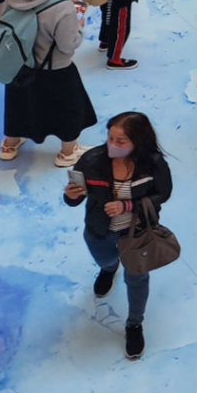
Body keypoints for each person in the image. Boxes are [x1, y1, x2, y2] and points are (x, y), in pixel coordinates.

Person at [63, 111, 171, 360]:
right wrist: (71, 196)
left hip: (137, 235)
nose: (113, 145)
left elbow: (162, 193)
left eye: (121, 141)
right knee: (105, 260)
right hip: (99, 231)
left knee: (137, 279)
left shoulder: (153, 164)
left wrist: (128, 206)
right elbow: (73, 200)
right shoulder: (91, 161)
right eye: (110, 138)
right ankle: (110, 268)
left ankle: (134, 323)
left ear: (138, 142)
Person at [0, 0, 97, 167]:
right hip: (53, 68)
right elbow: (67, 45)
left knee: (19, 105)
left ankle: (9, 144)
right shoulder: (62, 7)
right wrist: (79, 23)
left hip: (17, 62)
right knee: (69, 108)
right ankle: (67, 152)